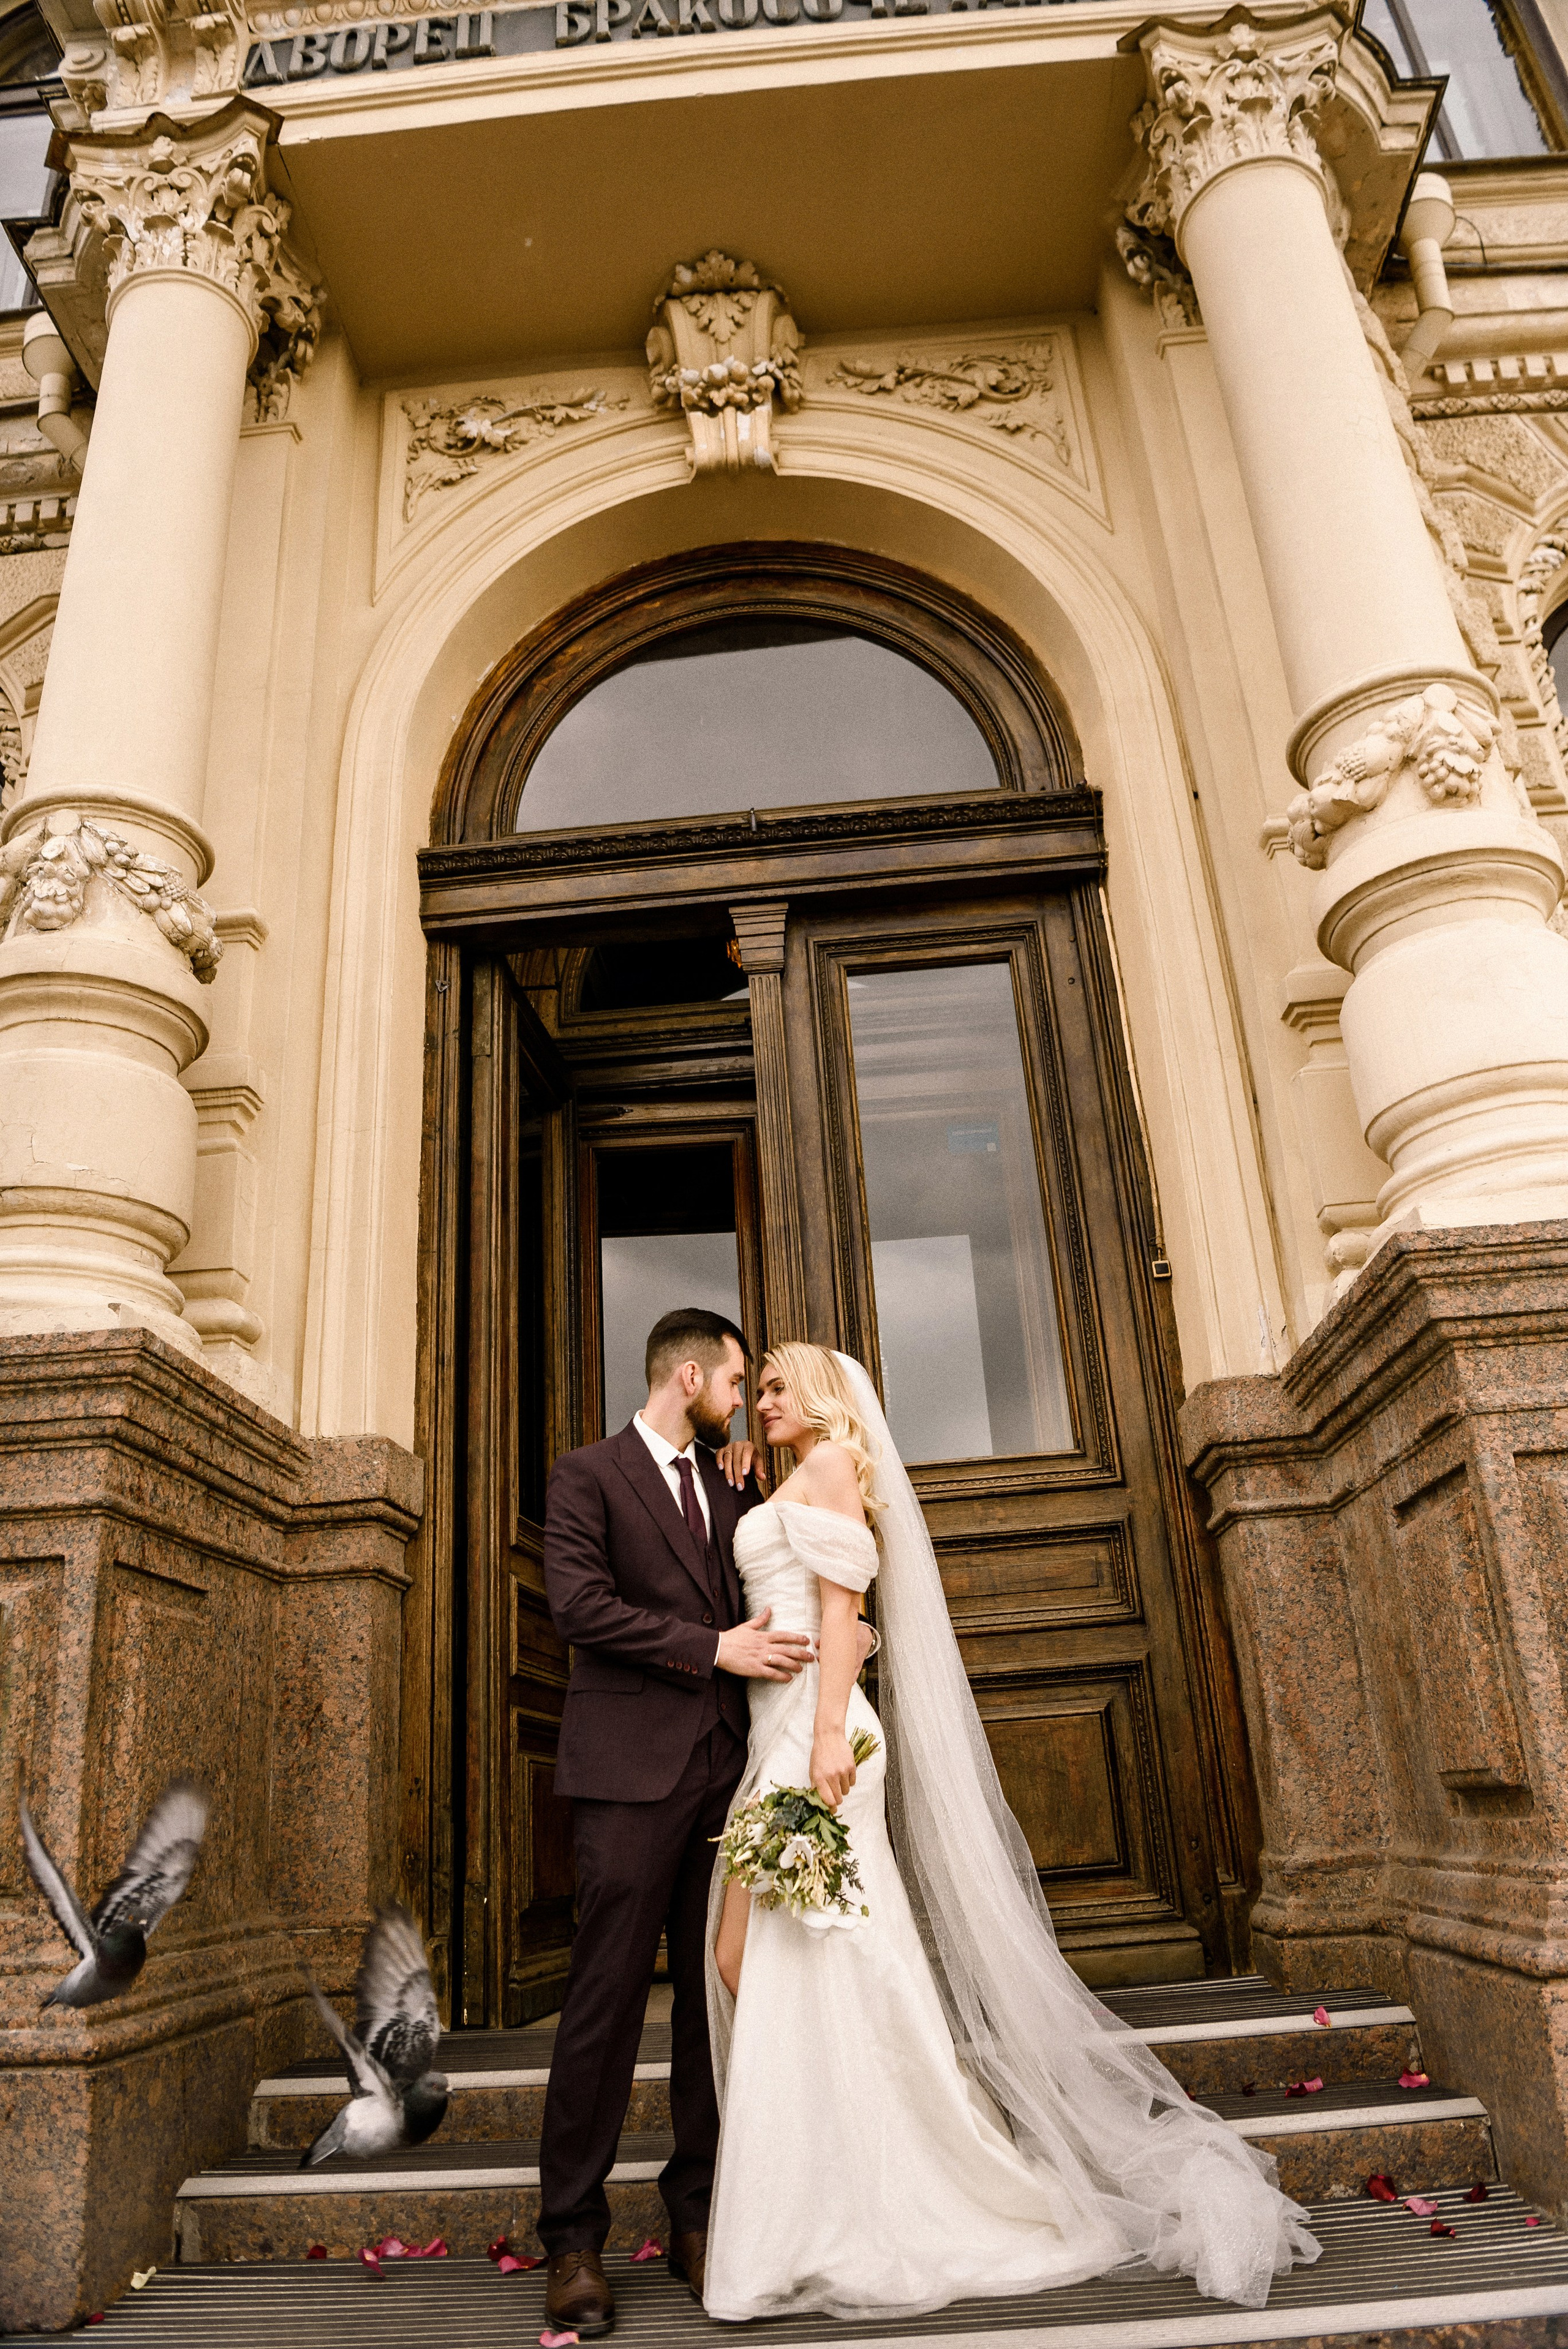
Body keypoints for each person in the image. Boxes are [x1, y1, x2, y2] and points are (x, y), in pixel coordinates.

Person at [703, 1343, 1322, 2323]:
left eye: (778, 1388)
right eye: (759, 1388)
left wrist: (826, 1737)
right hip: (779, 1733)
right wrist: (739, 1473)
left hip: (818, 1744)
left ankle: (879, 2188)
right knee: (761, 1959)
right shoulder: (792, 1475)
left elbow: (841, 1606)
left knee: (807, 1956)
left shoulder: (827, 1467)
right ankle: (843, 2174)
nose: (763, 1403)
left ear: (823, 1399)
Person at [537, 1306, 810, 2337]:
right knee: (603, 2005)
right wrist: (713, 1650)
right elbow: (580, 1608)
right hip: (625, 1774)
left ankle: (700, 2217)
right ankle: (571, 2238)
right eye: (738, 1383)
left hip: (725, 1774)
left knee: (710, 2005)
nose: (745, 1400)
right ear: (687, 1376)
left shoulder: (737, 1476)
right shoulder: (586, 1476)